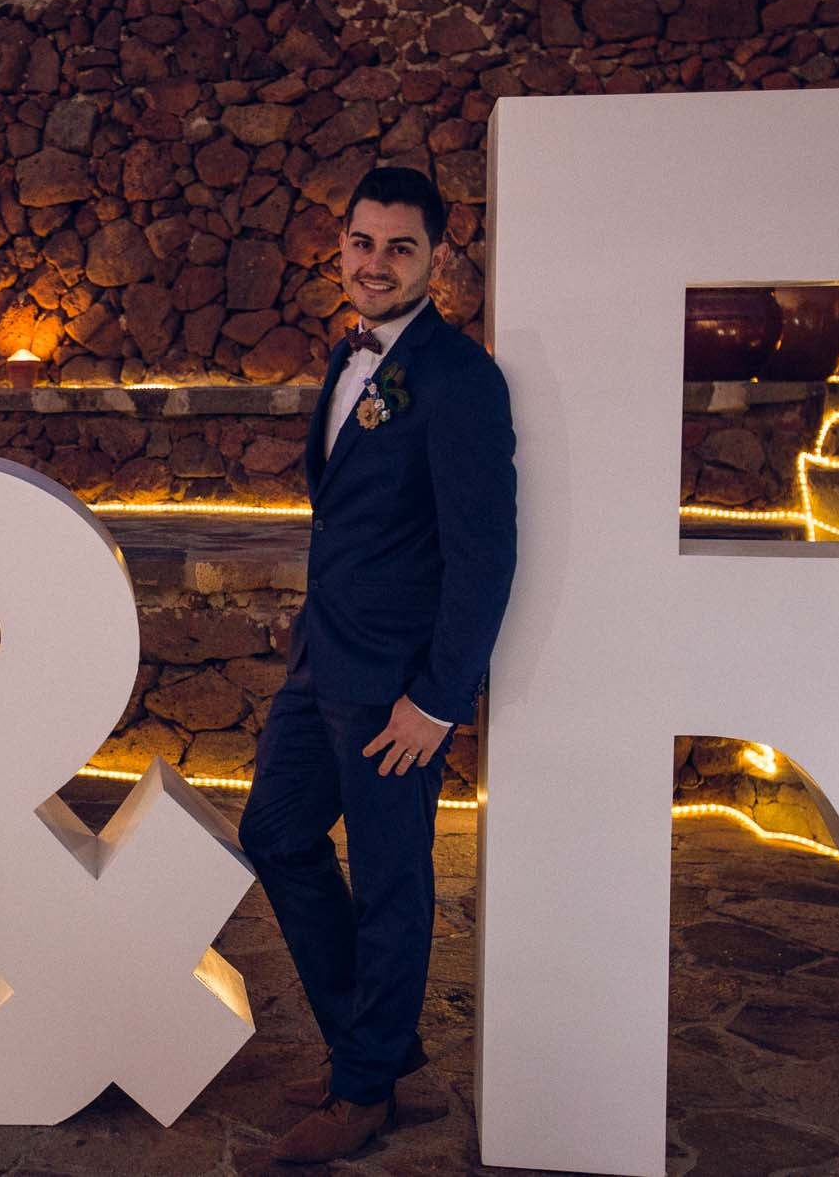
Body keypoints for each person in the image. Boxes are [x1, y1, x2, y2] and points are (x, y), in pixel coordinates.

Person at [236, 166, 516, 1164]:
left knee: (391, 882)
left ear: (436, 257)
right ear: (341, 242)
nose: (376, 262)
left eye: (400, 247)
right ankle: (379, 1048)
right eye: (362, 242)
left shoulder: (457, 379)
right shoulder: (349, 357)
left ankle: (361, 1092)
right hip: (322, 662)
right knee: (272, 833)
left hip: (394, 686)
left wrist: (436, 702)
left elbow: (483, 554)